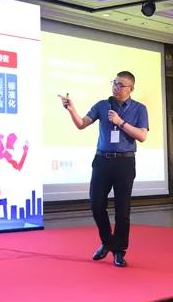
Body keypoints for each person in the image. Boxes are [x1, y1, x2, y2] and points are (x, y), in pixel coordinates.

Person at [59, 71, 149, 267]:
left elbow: (142, 136)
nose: (116, 87)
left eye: (121, 85)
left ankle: (119, 251)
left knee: (122, 210)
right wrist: (71, 110)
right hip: (102, 160)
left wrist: (120, 122)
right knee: (96, 203)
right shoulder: (102, 105)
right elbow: (82, 124)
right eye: (114, 83)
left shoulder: (139, 109)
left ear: (131, 89)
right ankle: (107, 241)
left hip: (125, 162)